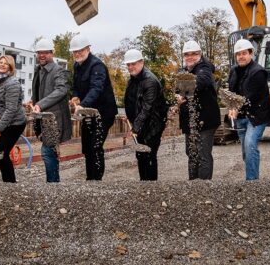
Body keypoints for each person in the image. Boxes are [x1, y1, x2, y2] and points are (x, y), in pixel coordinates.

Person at [70, 34, 118, 181]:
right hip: (88, 113)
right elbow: (75, 86)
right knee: (87, 147)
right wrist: (76, 97)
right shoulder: (77, 66)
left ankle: (96, 180)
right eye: (75, 51)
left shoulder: (97, 66)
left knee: (95, 146)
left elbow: (96, 89)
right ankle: (90, 178)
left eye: (80, 50)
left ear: (88, 49)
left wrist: (83, 104)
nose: (77, 54)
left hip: (103, 113)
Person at [226, 38, 270, 181]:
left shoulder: (258, 72)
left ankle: (252, 182)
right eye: (238, 54)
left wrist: (236, 108)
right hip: (241, 117)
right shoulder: (233, 71)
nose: (241, 56)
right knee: (246, 151)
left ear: (251, 54)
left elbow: (249, 96)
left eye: (244, 53)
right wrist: (230, 107)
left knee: (250, 144)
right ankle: (252, 176)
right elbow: (232, 93)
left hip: (256, 116)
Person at [29, 38, 72, 183]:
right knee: (50, 151)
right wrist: (33, 100)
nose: (41, 55)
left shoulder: (58, 70)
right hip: (43, 118)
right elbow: (39, 90)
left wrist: (40, 104)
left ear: (51, 53)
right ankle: (53, 183)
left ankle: (53, 184)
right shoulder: (39, 70)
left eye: (45, 52)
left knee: (47, 151)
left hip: (54, 119)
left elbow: (61, 90)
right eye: (39, 52)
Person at [177, 40, 220, 180]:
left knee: (203, 155)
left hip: (205, 120)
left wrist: (184, 92)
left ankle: (203, 188)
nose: (190, 57)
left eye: (194, 54)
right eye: (187, 54)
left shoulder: (204, 68)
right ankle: (193, 186)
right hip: (190, 121)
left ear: (200, 54)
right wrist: (178, 96)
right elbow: (178, 90)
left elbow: (202, 80)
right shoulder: (183, 71)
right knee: (191, 154)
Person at [123, 49, 168, 181]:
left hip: (152, 125)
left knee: (149, 155)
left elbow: (147, 108)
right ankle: (143, 184)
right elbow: (132, 101)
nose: (130, 67)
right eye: (128, 64)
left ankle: (151, 186)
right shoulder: (133, 79)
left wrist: (135, 127)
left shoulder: (150, 81)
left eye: (133, 64)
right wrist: (129, 116)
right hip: (141, 124)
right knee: (140, 155)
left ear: (142, 62)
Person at [0, 55, 27, 183]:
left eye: (5, 63)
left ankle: (10, 183)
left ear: (10, 67)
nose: (2, 65)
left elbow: (11, 109)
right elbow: (3, 103)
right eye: (0, 62)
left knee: (0, 153)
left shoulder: (12, 83)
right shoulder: (0, 81)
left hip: (15, 123)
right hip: (7, 121)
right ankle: (8, 182)